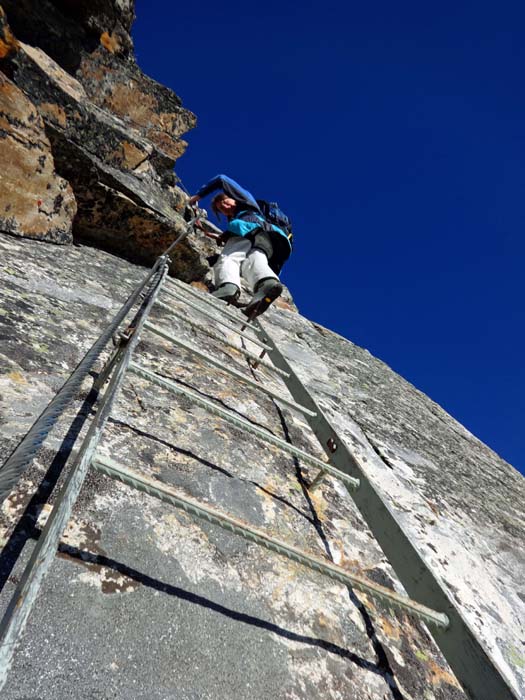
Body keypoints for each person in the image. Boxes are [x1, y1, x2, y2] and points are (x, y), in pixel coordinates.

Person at [189, 174, 292, 317]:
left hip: (250, 232)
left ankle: (228, 287)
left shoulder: (245, 201)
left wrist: (197, 197)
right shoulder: (249, 215)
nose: (224, 207)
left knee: (229, 258)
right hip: (267, 238)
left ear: (233, 198)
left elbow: (221, 179)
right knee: (254, 260)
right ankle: (267, 283)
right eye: (221, 208)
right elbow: (236, 233)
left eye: (225, 201)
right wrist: (215, 235)